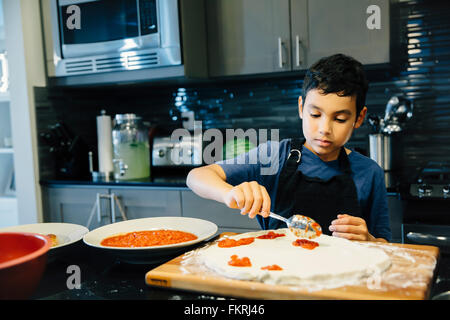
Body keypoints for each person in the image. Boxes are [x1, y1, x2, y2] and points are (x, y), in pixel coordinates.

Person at [187, 53, 391, 242]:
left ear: (359, 118)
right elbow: (197, 176)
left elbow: (386, 245)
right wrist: (228, 194)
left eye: (339, 119)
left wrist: (370, 241)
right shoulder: (274, 156)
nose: (324, 129)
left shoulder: (369, 172)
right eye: (315, 115)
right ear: (302, 108)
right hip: (277, 273)